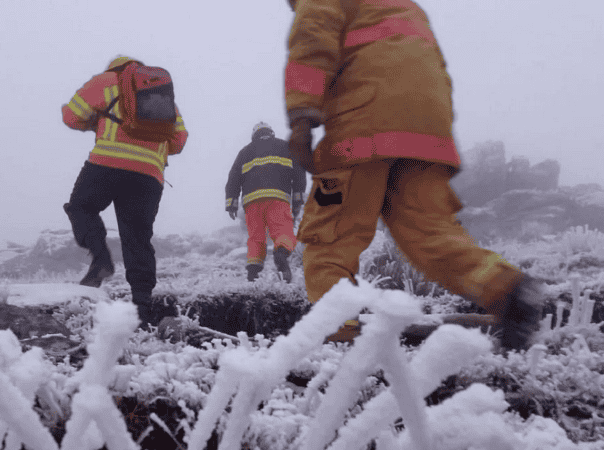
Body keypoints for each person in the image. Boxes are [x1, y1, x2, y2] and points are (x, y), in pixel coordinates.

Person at [283, 0, 543, 350]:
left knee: (330, 236)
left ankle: (338, 338)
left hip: (363, 123)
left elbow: (311, 43)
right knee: (429, 232)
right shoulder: (404, 6)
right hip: (427, 127)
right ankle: (507, 288)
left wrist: (301, 120)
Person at [61, 55, 188, 328]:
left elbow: (71, 116)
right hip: (149, 174)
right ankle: (141, 307)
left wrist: (96, 122)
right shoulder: (161, 95)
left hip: (107, 163)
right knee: (138, 238)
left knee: (81, 207)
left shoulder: (106, 81)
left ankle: (101, 259)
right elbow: (178, 140)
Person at [225, 122, 307, 283]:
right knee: (282, 231)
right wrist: (297, 200)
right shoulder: (286, 147)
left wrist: (231, 204)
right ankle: (281, 255)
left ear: (254, 136)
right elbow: (299, 173)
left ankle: (253, 273)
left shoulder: (245, 152)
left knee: (256, 238)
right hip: (277, 198)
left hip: (251, 202)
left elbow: (233, 177)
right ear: (272, 132)